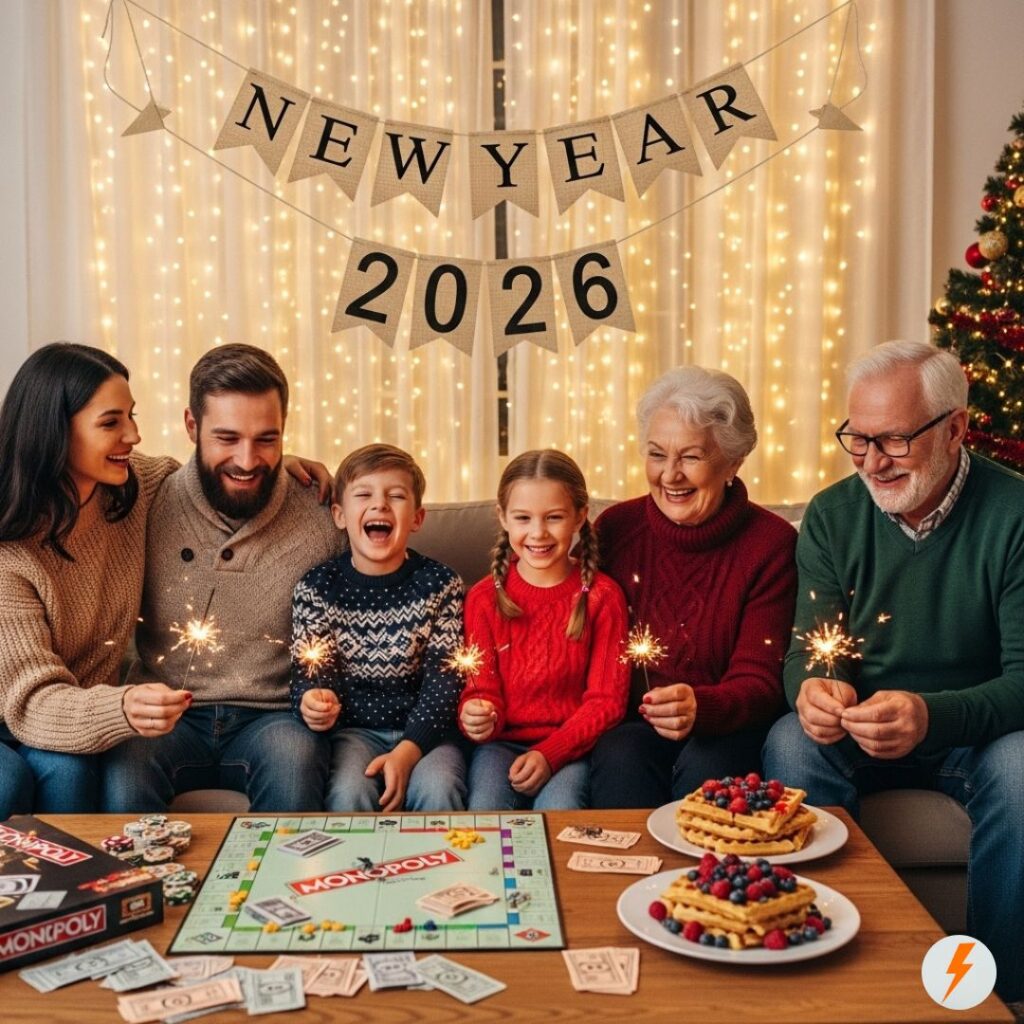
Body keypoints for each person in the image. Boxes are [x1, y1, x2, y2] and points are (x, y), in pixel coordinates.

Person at [763, 339, 1024, 1004]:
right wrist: (811, 690)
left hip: (978, 736)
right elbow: (808, 652)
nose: (872, 462)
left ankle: (999, 998)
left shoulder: (1014, 515)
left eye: (895, 441)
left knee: (1023, 768)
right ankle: (826, 979)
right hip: (862, 728)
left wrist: (932, 715)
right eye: (858, 438)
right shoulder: (832, 517)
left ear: (956, 428)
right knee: (792, 741)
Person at [101, 343, 343, 813]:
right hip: (168, 711)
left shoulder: (322, 516)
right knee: (124, 775)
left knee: (295, 762)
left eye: (266, 439)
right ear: (192, 426)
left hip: (273, 718)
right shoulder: (146, 497)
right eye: (227, 438)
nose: (247, 461)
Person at [588, 366, 798, 809]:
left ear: (733, 462)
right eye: (657, 454)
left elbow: (761, 679)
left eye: (690, 457)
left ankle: (706, 858)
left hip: (728, 726)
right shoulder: (614, 530)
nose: (670, 475)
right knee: (621, 752)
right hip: (635, 726)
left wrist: (702, 706)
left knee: (711, 763)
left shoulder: (770, 545)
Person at [0, 343, 186, 816]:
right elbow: (32, 702)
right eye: (110, 423)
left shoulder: (132, 487)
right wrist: (122, 708)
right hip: (24, 707)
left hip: (66, 715)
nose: (134, 435)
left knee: (71, 769)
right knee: (10, 782)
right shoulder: (9, 551)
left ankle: (81, 869)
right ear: (53, 432)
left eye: (131, 416)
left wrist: (280, 469)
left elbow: (201, 480)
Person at [291, 443, 466, 813]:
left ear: (417, 518)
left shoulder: (441, 584)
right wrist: (312, 702)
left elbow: (445, 684)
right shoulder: (316, 588)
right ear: (339, 515)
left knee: (439, 789)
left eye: (396, 496)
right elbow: (310, 673)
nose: (380, 505)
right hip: (355, 734)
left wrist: (408, 750)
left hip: (430, 734)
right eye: (364, 495)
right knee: (348, 792)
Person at [459, 450, 629, 811]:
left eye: (554, 517)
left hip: (572, 747)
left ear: (580, 516)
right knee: (485, 809)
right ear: (503, 517)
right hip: (500, 746)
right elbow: (481, 688)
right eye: (523, 518)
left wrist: (551, 753)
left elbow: (606, 702)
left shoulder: (603, 597)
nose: (538, 533)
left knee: (560, 809)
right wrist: (477, 715)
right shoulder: (483, 598)